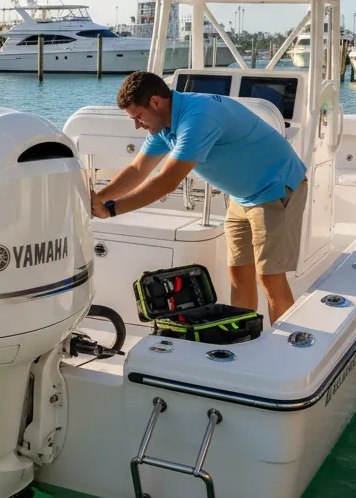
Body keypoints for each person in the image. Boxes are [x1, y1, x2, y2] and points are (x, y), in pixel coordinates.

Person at [90, 71, 308, 324]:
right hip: (242, 196)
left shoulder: (197, 118)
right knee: (238, 272)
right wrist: (97, 199)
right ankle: (244, 337)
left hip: (276, 188)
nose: (137, 125)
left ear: (156, 102)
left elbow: (166, 182)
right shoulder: (163, 124)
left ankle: (287, 348)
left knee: (270, 277)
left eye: (138, 116)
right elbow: (138, 170)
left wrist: (112, 210)